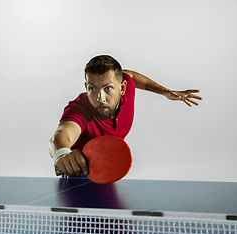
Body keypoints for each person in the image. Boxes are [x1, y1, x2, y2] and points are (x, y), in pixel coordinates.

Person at [49, 55, 201, 177]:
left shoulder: (127, 91)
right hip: (80, 173)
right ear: (86, 87)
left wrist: (165, 92)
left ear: (122, 88)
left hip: (107, 170)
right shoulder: (79, 110)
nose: (100, 98)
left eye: (108, 88)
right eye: (92, 88)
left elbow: (132, 76)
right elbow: (62, 134)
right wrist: (62, 154)